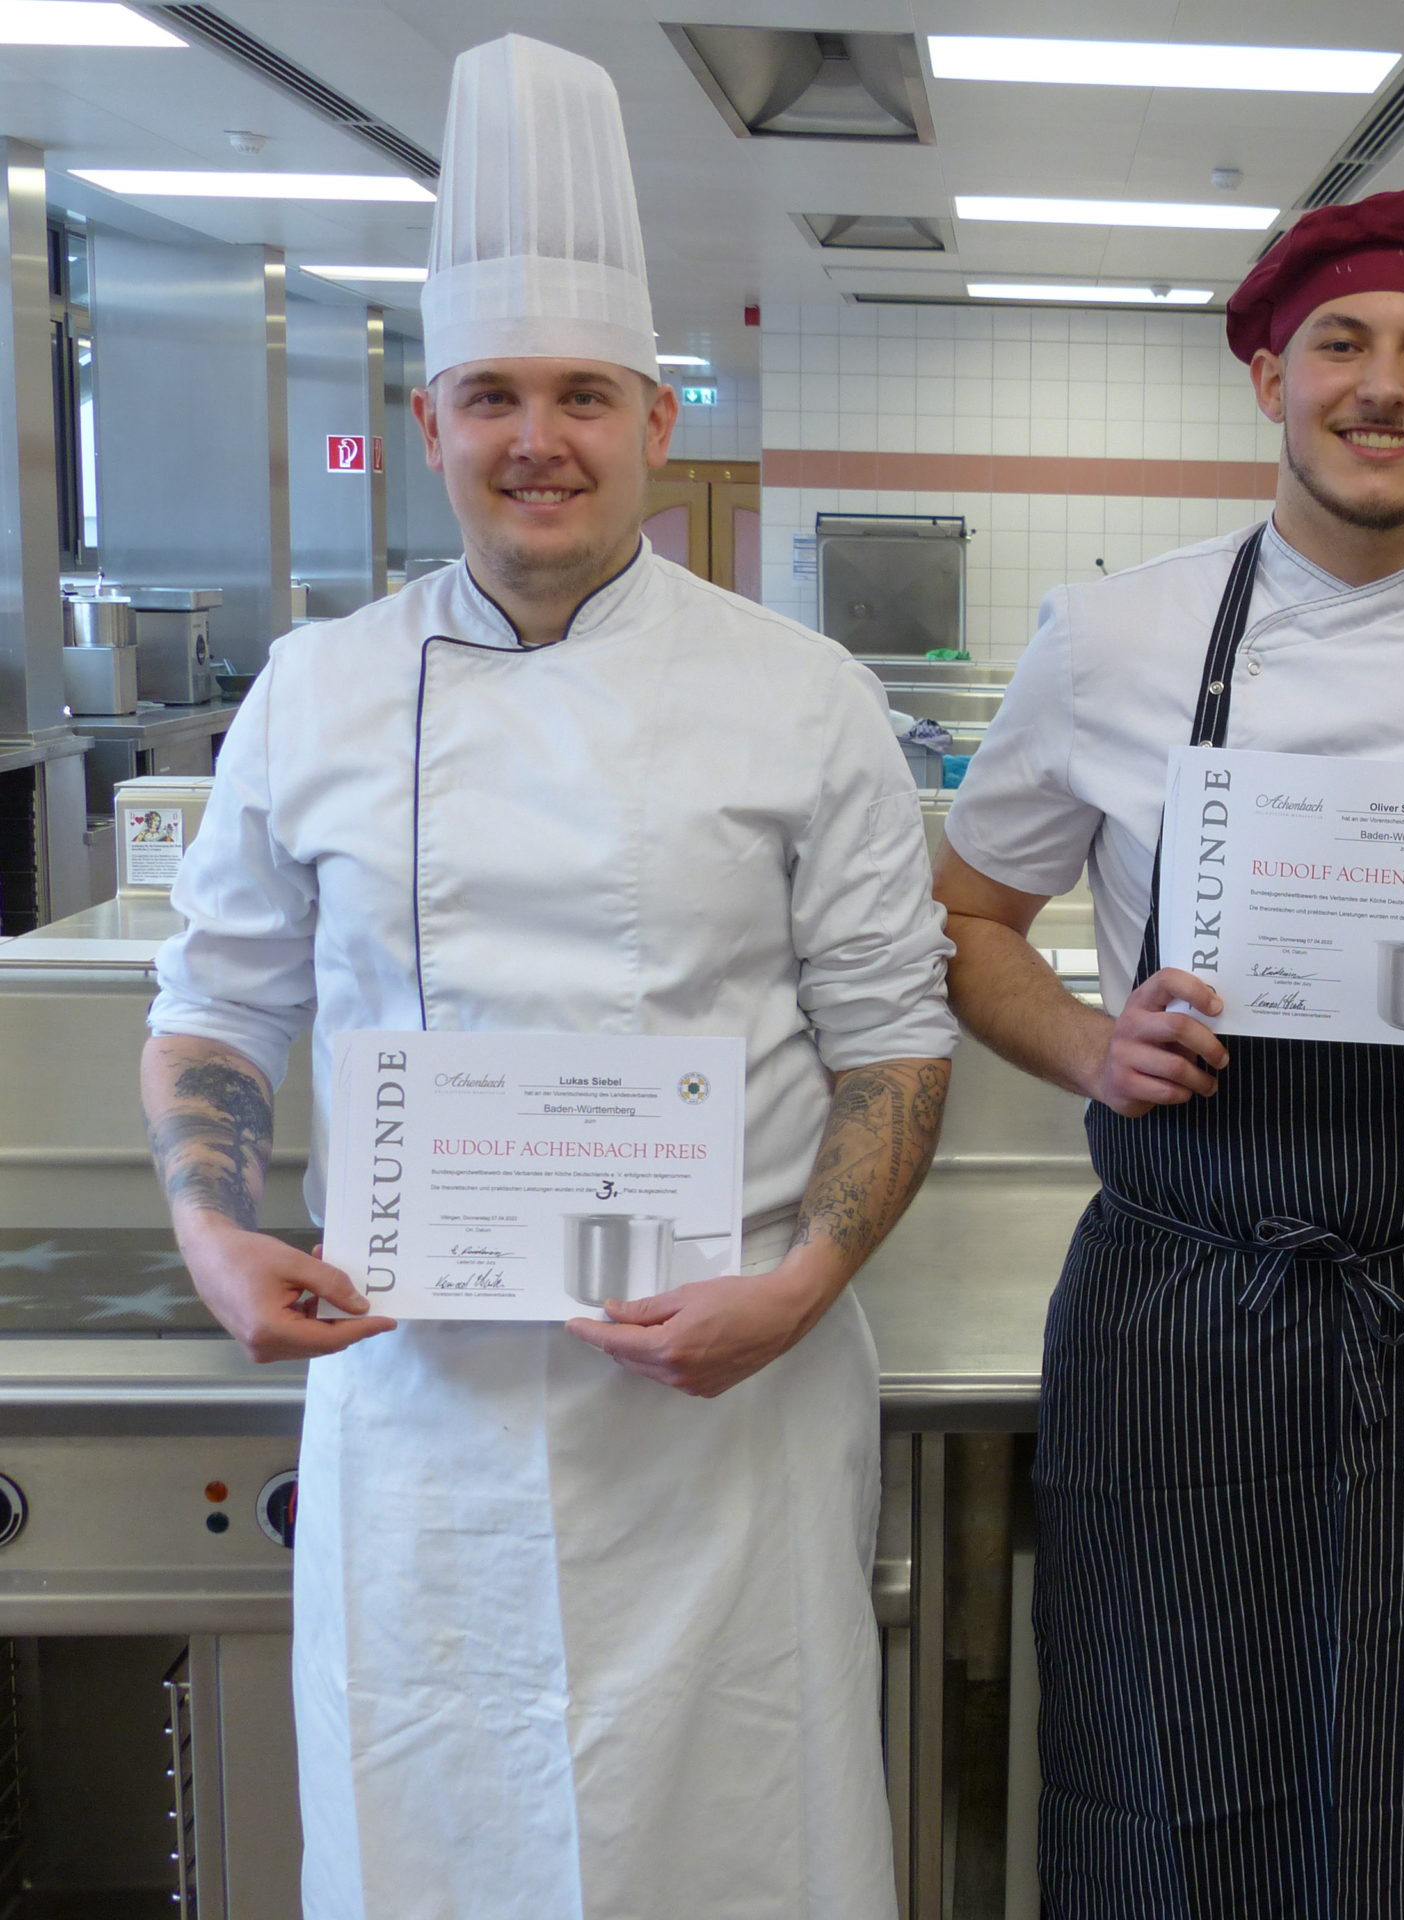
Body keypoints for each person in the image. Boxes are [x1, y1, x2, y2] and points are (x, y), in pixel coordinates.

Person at [138, 36, 950, 1918]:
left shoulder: (799, 694)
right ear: (430, 425)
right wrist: (212, 1236)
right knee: (438, 1831)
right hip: (416, 1400)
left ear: (656, 421)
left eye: (584, 394)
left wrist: (806, 1284)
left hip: (725, 1401)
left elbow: (894, 1041)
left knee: (743, 1827)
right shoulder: (317, 693)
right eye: (492, 395)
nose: (540, 440)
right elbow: (222, 1003)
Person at [934, 191, 1404, 1918]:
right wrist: (1085, 1045)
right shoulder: (1109, 639)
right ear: (1271, 377)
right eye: (1343, 346)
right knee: (1160, 1751)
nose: (1385, 385)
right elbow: (967, 918)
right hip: (1183, 1287)